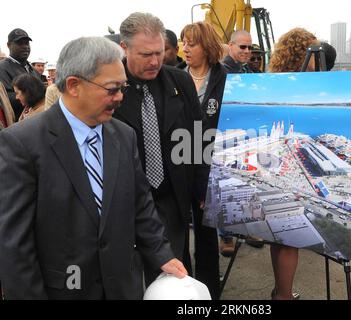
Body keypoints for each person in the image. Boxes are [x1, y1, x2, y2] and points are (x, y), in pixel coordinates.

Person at [0, 36, 187, 299]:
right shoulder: (22, 144)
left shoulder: (123, 135)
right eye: (112, 89)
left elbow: (140, 202)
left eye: (123, 87)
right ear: (74, 85)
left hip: (123, 287)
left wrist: (161, 253)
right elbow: (14, 246)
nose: (121, 97)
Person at [114, 12, 205, 285]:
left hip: (170, 199)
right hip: (124, 201)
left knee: (169, 273)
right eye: (145, 54)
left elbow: (197, 136)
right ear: (124, 48)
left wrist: (201, 187)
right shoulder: (108, 86)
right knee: (127, 277)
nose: (155, 61)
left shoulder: (180, 81)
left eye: (159, 52)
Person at [268, 27, 319, 300]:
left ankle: (281, 289)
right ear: (304, 53)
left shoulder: (273, 83)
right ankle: (284, 295)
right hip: (289, 162)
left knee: (279, 235)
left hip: (277, 163)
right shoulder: (303, 87)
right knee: (289, 237)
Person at [177, 21, 227, 300]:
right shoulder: (175, 78)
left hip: (211, 166)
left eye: (191, 43)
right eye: (184, 42)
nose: (185, 48)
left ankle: (208, 291)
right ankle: (182, 288)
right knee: (178, 231)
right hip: (180, 164)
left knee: (207, 234)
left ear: (206, 46)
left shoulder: (225, 78)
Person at [0, 28, 40, 120]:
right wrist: (37, 95)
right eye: (20, 43)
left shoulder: (33, 70)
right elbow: (5, 99)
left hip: (38, 122)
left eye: (27, 43)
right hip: (16, 127)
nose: (25, 46)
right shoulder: (2, 68)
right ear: (8, 45)